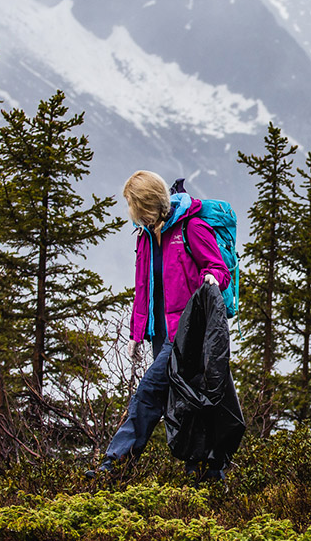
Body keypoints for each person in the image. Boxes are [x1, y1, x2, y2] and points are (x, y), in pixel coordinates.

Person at [86, 171, 230, 478]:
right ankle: (205, 472)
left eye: (131, 204)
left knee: (149, 392)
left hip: (189, 331)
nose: (129, 211)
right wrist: (136, 333)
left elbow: (218, 268)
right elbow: (144, 288)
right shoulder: (147, 237)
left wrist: (211, 280)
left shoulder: (191, 227)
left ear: (144, 204)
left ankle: (113, 465)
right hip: (160, 333)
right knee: (186, 397)